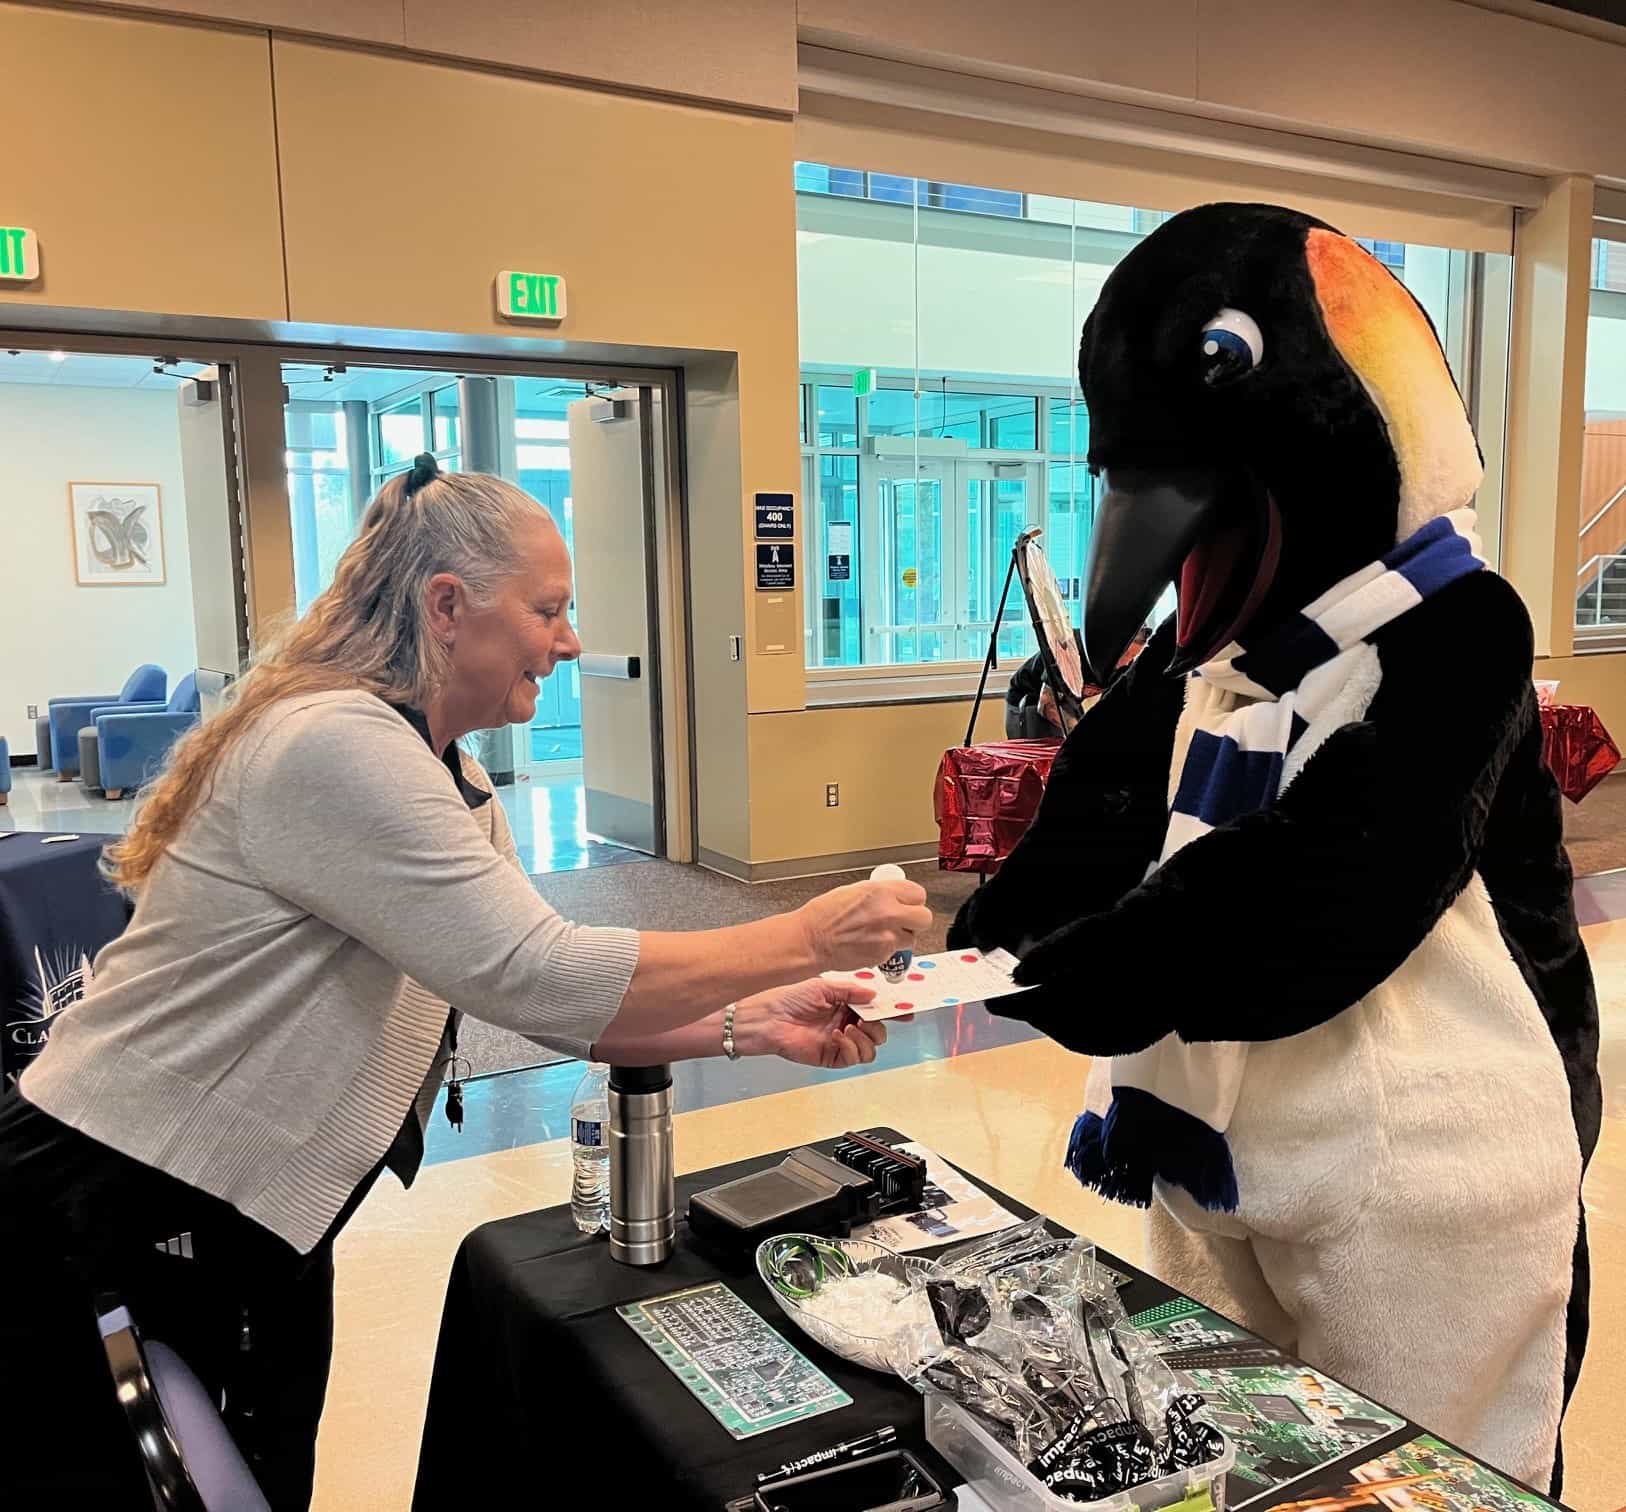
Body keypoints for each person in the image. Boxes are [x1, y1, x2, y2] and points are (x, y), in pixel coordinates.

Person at [0, 456, 930, 1509]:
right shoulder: (333, 743)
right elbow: (538, 975)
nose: (569, 640)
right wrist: (808, 936)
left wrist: (755, 1023)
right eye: (549, 609)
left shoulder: (451, 772)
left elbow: (549, 996)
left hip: (253, 1215)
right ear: (447, 607)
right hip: (113, 1196)